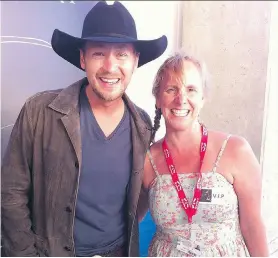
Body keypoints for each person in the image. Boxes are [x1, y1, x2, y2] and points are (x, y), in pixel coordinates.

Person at [1, 1, 168, 257]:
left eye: (122, 54)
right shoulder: (39, 112)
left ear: (135, 61)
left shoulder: (143, 125)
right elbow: (11, 194)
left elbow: (138, 202)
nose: (110, 67)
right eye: (99, 53)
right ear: (82, 58)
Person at [140, 51, 269, 256]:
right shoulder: (147, 161)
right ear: (157, 98)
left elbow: (252, 226)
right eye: (171, 89)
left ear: (202, 98)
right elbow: (128, 220)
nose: (181, 99)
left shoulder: (235, 151)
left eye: (191, 89)